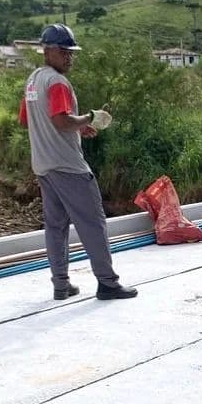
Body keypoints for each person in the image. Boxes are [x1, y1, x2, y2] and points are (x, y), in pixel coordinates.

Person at [19, 24, 137, 301]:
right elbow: (61, 120)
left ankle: (61, 285)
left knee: (56, 226)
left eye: (71, 52)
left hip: (44, 167)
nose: (69, 58)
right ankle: (108, 283)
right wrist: (89, 118)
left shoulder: (33, 81)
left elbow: (29, 120)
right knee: (93, 223)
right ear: (48, 51)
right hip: (68, 167)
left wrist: (78, 128)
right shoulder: (58, 82)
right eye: (64, 52)